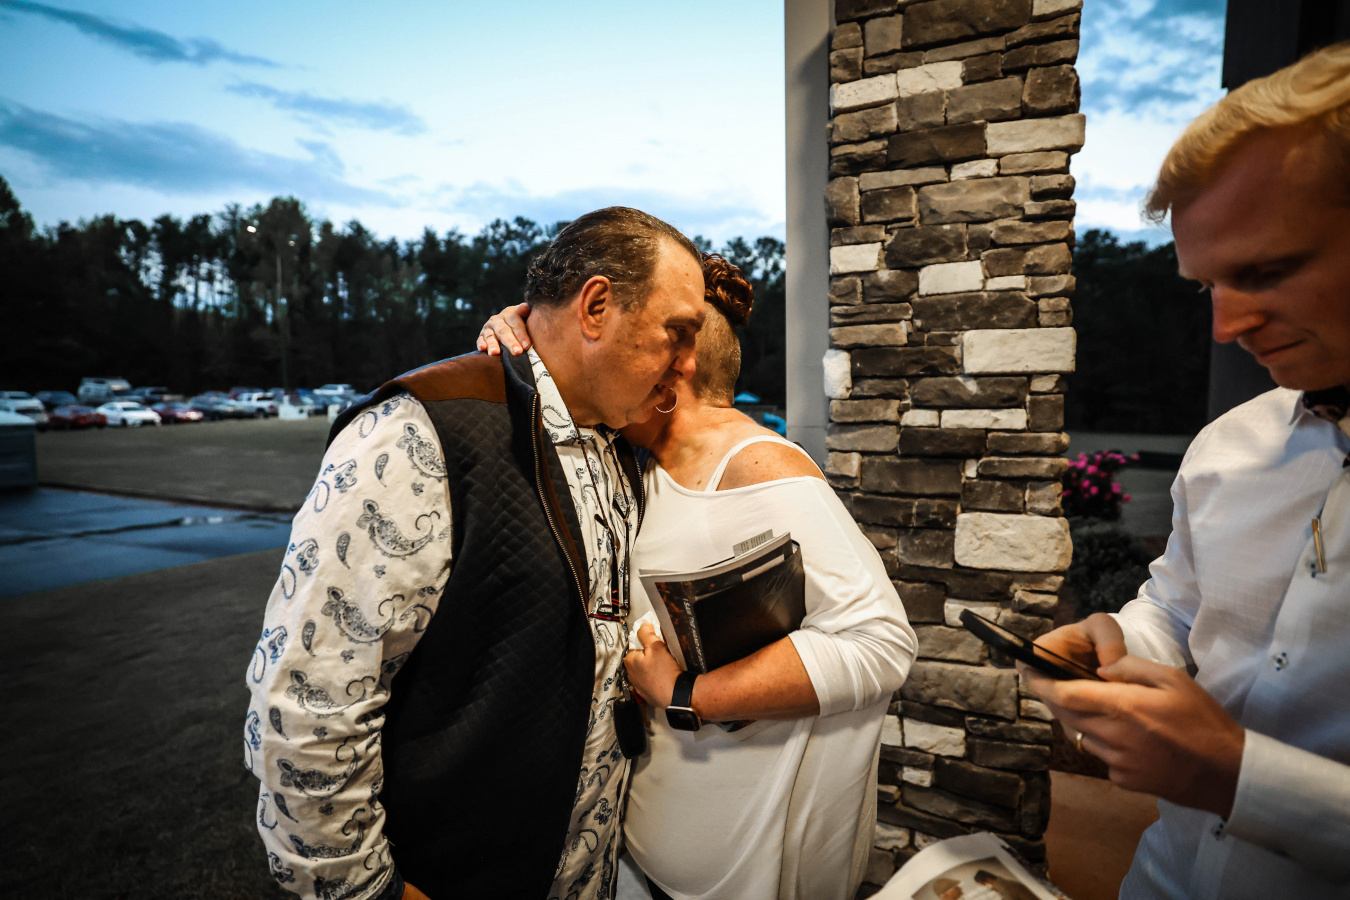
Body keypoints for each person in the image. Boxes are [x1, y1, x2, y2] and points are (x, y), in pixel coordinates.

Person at [244, 206, 707, 900]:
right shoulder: (417, 433)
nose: (689, 362)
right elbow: (308, 706)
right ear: (596, 306)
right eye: (678, 333)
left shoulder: (614, 441)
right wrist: (370, 891)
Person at [1019, 42, 1350, 898]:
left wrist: (1240, 780)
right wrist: (1116, 639)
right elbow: (1178, 607)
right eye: (1208, 286)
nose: (1226, 327)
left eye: (1265, 271)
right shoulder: (1229, 446)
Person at [479, 255, 916, 900]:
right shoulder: (640, 460)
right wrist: (525, 330)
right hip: (644, 857)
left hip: (750, 876)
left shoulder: (758, 467)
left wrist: (687, 692)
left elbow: (879, 642)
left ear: (669, 373)